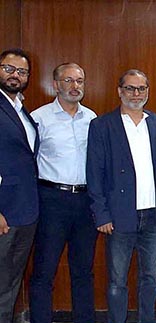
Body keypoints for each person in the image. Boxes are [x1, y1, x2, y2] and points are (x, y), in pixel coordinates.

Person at [87, 69, 156, 323]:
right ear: (119, 91)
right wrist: (101, 214)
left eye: (141, 89)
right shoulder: (102, 125)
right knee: (117, 281)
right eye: (130, 88)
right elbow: (95, 173)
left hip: (153, 215)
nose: (136, 94)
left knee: (151, 278)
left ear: (147, 91)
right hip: (119, 216)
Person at [29, 63, 98, 323]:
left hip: (84, 202)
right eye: (68, 80)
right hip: (51, 201)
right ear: (56, 84)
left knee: (83, 271)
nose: (74, 86)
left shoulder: (92, 119)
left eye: (79, 80)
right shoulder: (38, 118)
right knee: (44, 272)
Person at [0, 48, 38, 323]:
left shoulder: (21, 109)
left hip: (25, 211)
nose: (15, 75)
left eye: (21, 71)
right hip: (3, 212)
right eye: (8, 69)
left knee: (10, 281)